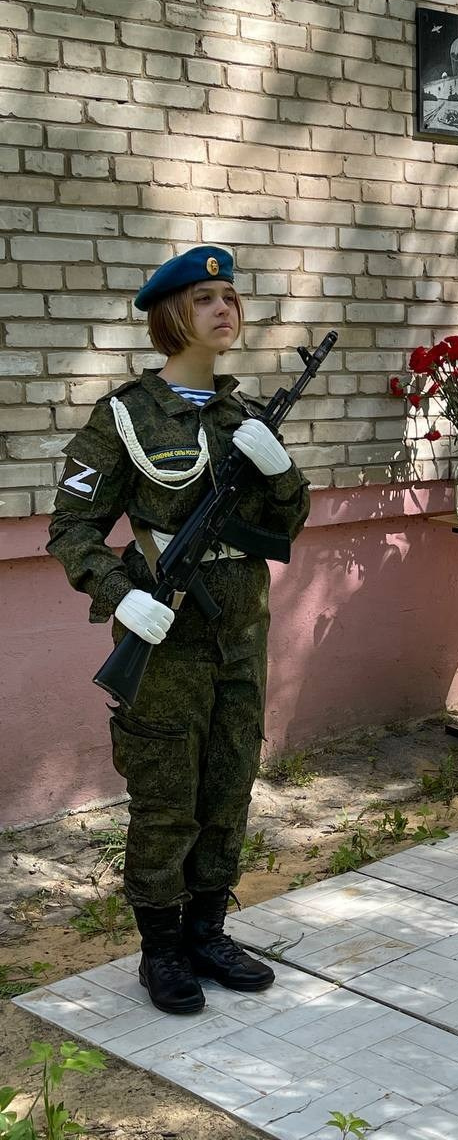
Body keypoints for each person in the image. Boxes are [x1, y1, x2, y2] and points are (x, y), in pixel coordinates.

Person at [48, 247, 311, 1015]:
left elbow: (285, 525)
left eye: (231, 296)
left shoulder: (245, 419)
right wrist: (121, 595)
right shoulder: (125, 416)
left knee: (229, 782)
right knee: (166, 797)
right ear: (172, 316)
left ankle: (209, 930)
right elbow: (73, 528)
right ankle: (161, 949)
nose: (225, 309)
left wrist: (281, 471)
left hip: (241, 634)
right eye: (205, 299)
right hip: (164, 639)